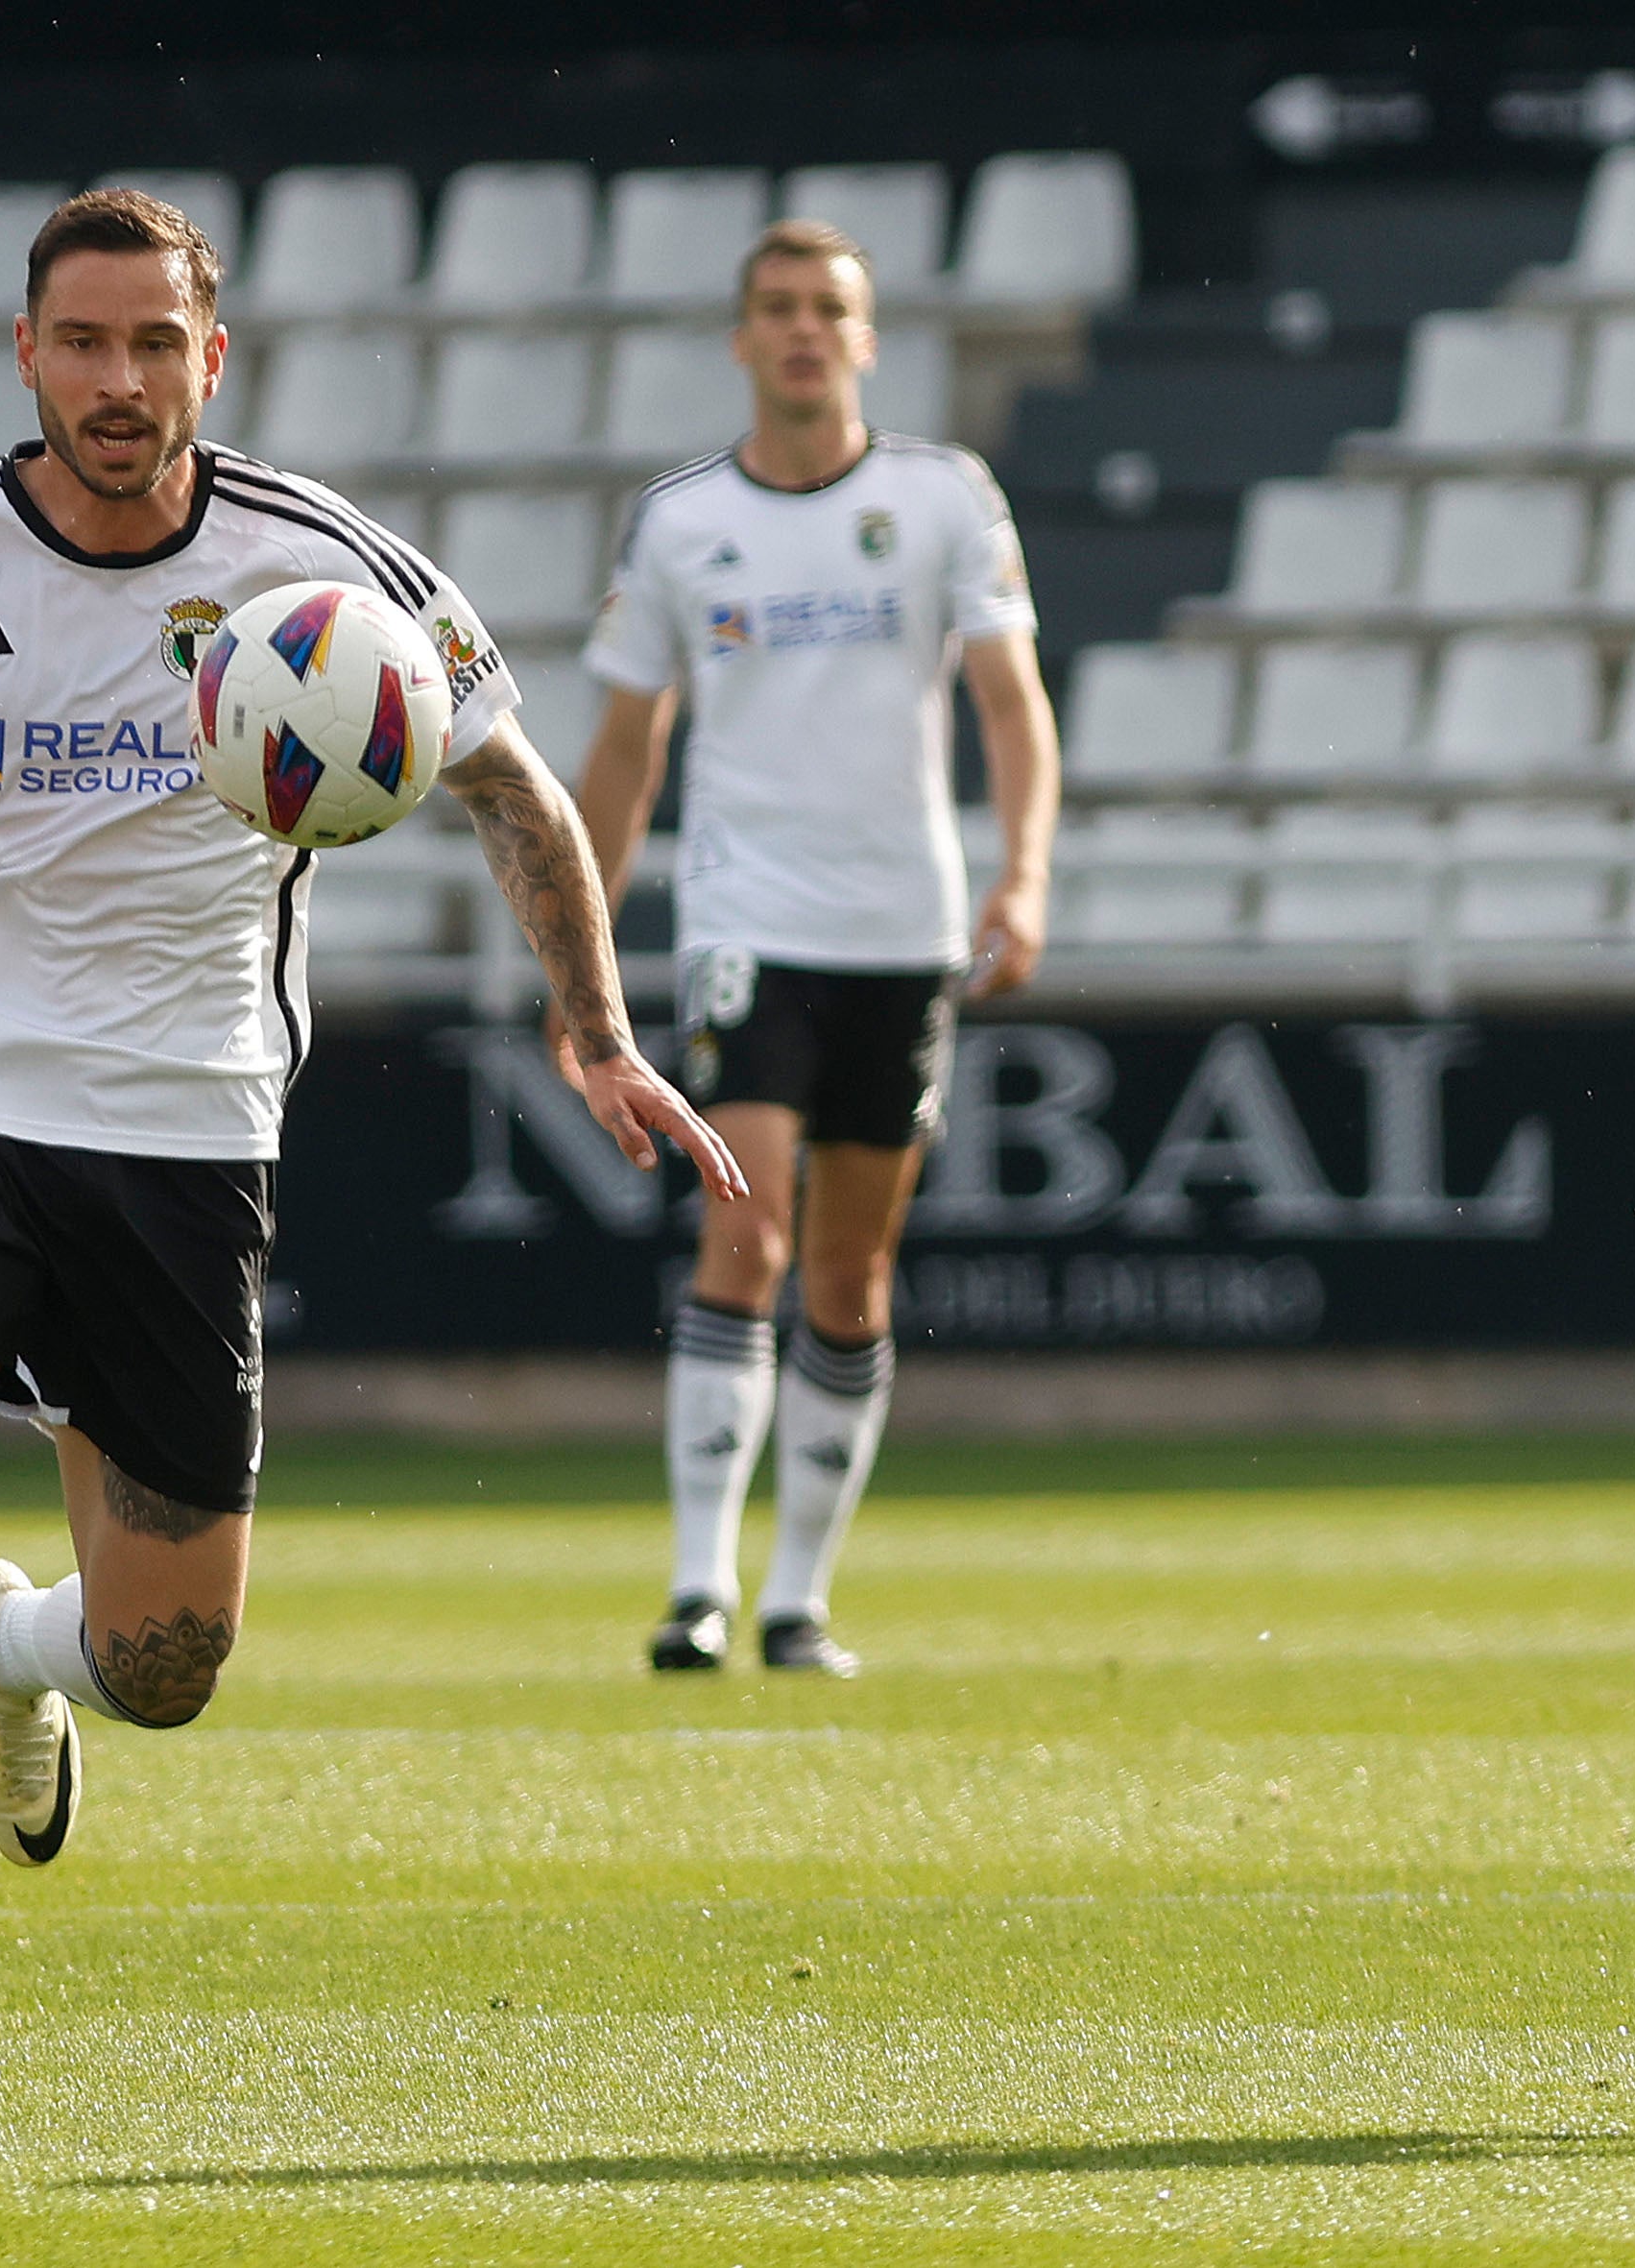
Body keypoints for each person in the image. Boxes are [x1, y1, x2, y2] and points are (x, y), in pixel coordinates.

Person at [0, 188, 745, 2048]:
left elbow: (511, 789)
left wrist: (589, 1027)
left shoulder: (320, 577)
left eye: (153, 343)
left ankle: (11, 1645)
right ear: (24, 355)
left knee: (163, 1662)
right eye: (83, 343)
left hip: (190, 1121)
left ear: (212, 354)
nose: (119, 382)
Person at [569, 217, 1059, 1679]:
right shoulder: (677, 522)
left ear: (864, 338)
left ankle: (799, 1598)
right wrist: (581, 964)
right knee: (749, 1226)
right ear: (741, 337)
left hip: (899, 925)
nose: (799, 330)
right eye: (775, 307)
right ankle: (697, 1586)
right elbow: (623, 750)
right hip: (747, 919)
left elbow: (1012, 706)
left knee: (850, 1277)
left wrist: (1023, 877)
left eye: (825, 309)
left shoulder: (940, 499)